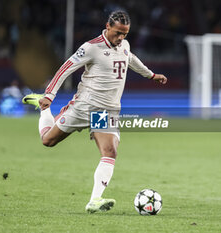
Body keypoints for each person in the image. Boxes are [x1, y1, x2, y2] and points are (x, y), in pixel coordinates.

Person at [22, 10, 167, 213]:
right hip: (84, 106)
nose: (121, 38)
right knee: (48, 141)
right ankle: (43, 109)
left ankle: (94, 200)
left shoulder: (124, 45)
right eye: (118, 33)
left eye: (125, 34)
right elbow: (66, 68)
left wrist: (151, 75)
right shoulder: (91, 48)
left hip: (107, 111)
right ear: (108, 27)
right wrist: (49, 95)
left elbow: (131, 59)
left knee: (110, 151)